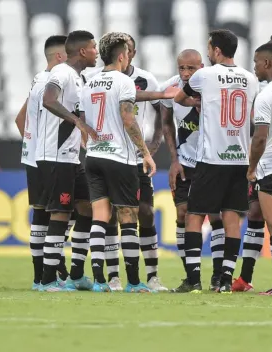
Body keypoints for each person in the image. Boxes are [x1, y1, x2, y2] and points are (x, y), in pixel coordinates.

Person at [83, 34, 172, 292]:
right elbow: (128, 118)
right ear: (122, 55)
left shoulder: (89, 82)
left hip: (94, 156)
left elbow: (82, 115)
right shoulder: (124, 81)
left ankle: (101, 281)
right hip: (120, 157)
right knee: (127, 216)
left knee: (101, 216)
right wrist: (145, 151)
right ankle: (133, 281)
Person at [173, 29, 259, 293]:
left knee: (194, 216)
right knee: (232, 217)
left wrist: (200, 100)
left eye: (209, 49)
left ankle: (194, 279)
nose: (208, 52)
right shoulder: (250, 78)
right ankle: (224, 278)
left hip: (211, 158)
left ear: (217, 50)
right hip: (239, 158)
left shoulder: (204, 75)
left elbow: (179, 98)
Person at [233, 31, 272, 291]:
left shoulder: (267, 94)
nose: (254, 67)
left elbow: (259, 138)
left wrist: (251, 168)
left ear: (268, 63)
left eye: (257, 62)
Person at [36, 30, 98, 292]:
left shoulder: (79, 77)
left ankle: (75, 275)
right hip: (54, 155)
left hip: (72, 158)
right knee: (60, 213)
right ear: (82, 51)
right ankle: (48, 280)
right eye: (94, 47)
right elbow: (48, 99)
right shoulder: (62, 72)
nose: (97, 51)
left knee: (87, 208)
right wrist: (77, 121)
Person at [161, 49, 226, 292]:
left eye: (192, 68)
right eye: (182, 68)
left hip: (212, 162)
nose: (186, 73)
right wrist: (174, 160)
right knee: (182, 214)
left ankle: (218, 276)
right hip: (185, 163)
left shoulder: (213, 85)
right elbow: (166, 123)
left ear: (202, 66)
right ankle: (191, 275)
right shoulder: (170, 88)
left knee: (215, 216)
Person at [14, 35, 68, 290]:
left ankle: (40, 277)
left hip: (33, 157)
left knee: (41, 214)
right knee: (60, 214)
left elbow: (19, 119)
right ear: (60, 56)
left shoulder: (37, 80)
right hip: (52, 157)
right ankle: (54, 274)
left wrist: (32, 145)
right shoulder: (56, 83)